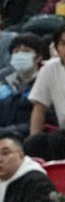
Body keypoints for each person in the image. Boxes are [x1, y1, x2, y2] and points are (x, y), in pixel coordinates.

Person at [25, 25, 65, 159]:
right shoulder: (49, 69)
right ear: (56, 48)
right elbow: (39, 107)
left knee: (57, 139)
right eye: (64, 44)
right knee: (34, 144)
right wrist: (34, 140)